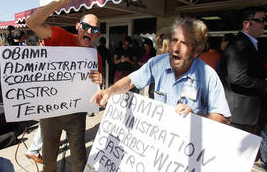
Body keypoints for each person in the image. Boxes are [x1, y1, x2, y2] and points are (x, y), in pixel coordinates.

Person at [91, 16, 231, 124]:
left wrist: (195, 117)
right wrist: (109, 91)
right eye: (174, 40)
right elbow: (130, 81)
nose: (175, 48)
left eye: (183, 43)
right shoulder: (157, 63)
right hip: (159, 143)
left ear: (196, 51)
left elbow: (224, 118)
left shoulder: (208, 76)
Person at [26, 0, 103, 172]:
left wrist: (99, 82)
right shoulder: (60, 36)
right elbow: (32, 22)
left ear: (98, 34)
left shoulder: (95, 56)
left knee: (79, 157)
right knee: (49, 158)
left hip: (76, 114)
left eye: (95, 29)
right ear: (78, 26)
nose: (89, 31)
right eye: (86, 26)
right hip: (50, 112)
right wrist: (62, 1)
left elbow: (93, 91)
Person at [219, 6, 267, 133]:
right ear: (246, 24)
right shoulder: (240, 44)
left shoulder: (247, 43)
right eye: (261, 20)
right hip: (239, 115)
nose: (265, 23)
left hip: (245, 114)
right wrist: (263, 85)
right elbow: (237, 78)